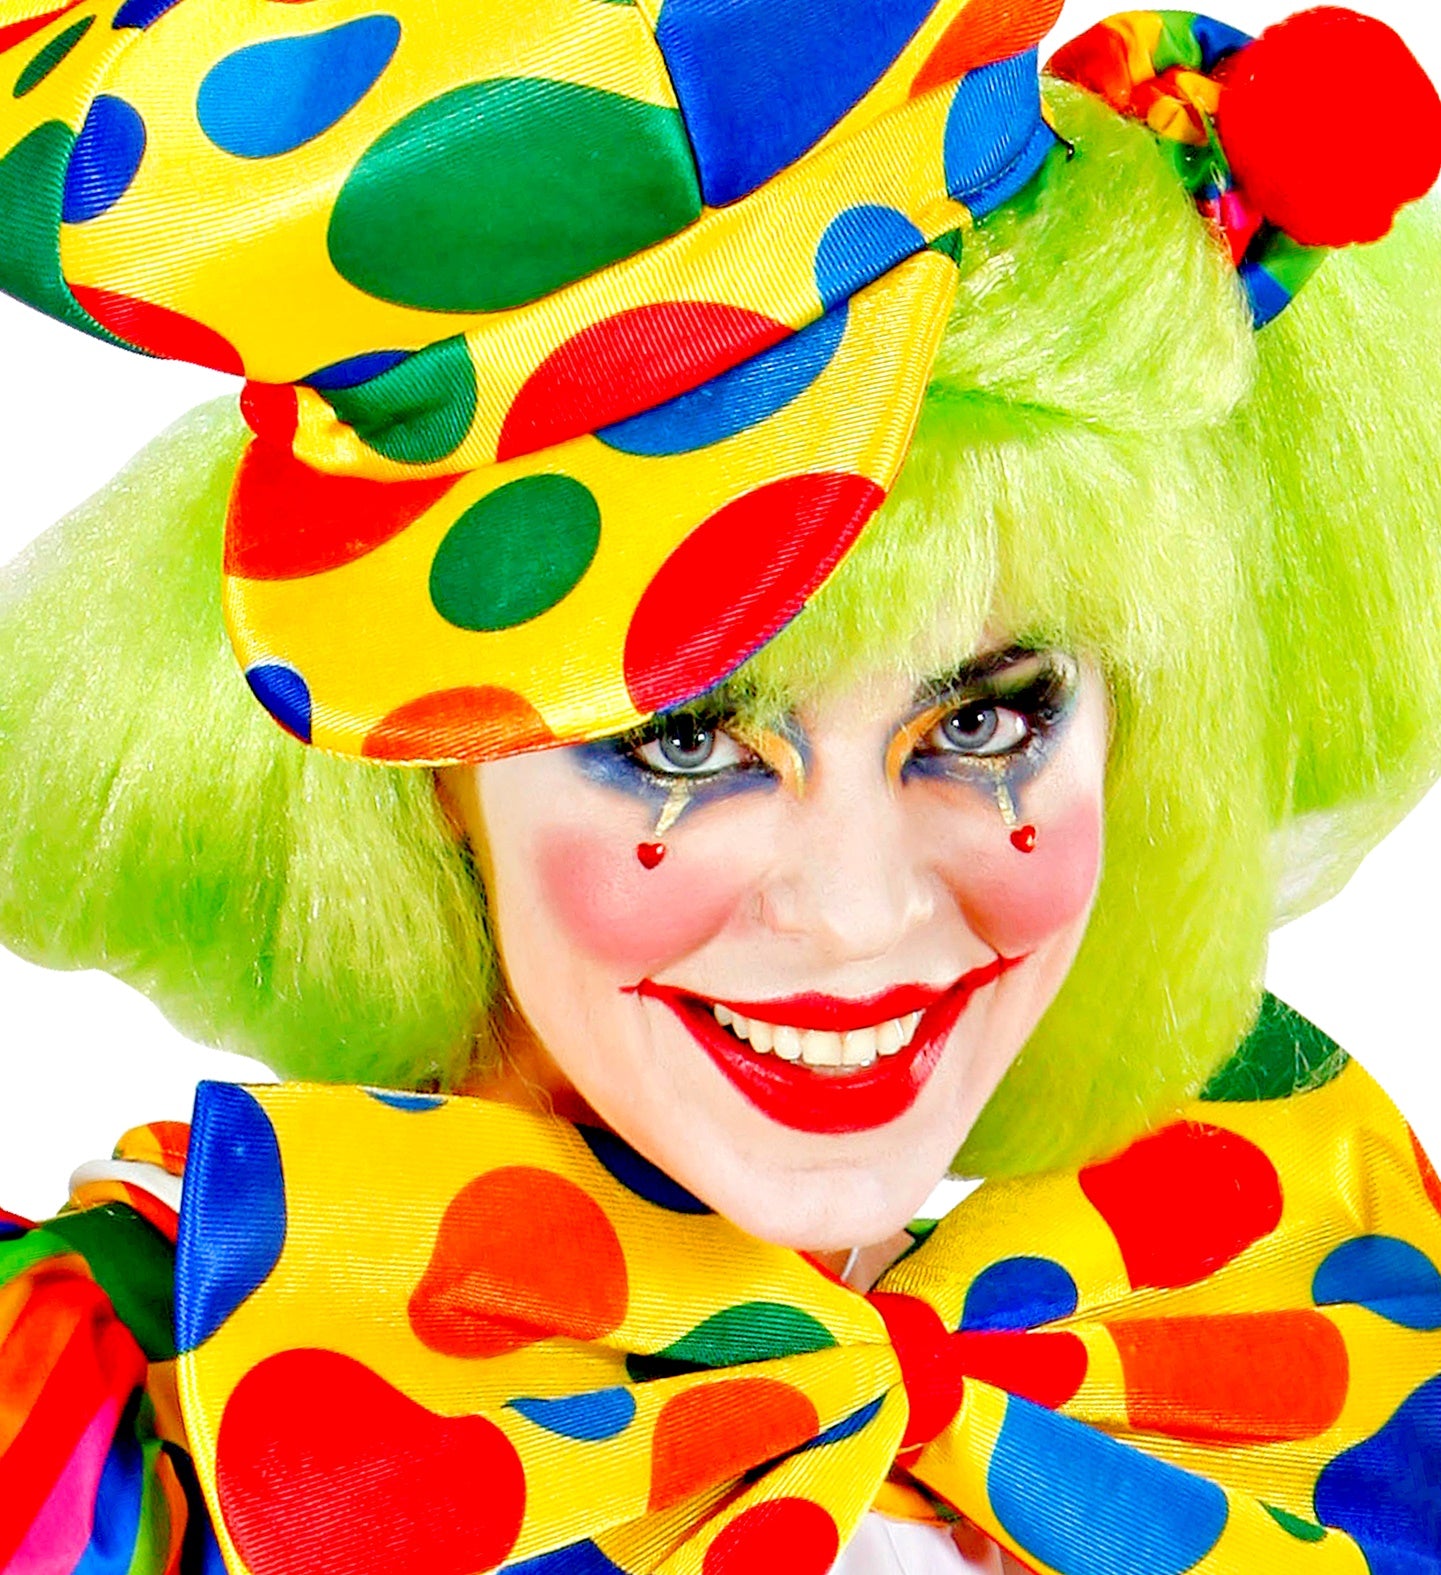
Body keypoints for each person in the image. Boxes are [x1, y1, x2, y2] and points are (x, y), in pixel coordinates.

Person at [1, 2, 1440, 1571]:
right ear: (423, 768)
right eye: (685, 742)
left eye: (982, 723)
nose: (858, 910)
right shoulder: (82, 1418)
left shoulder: (1322, 1353)